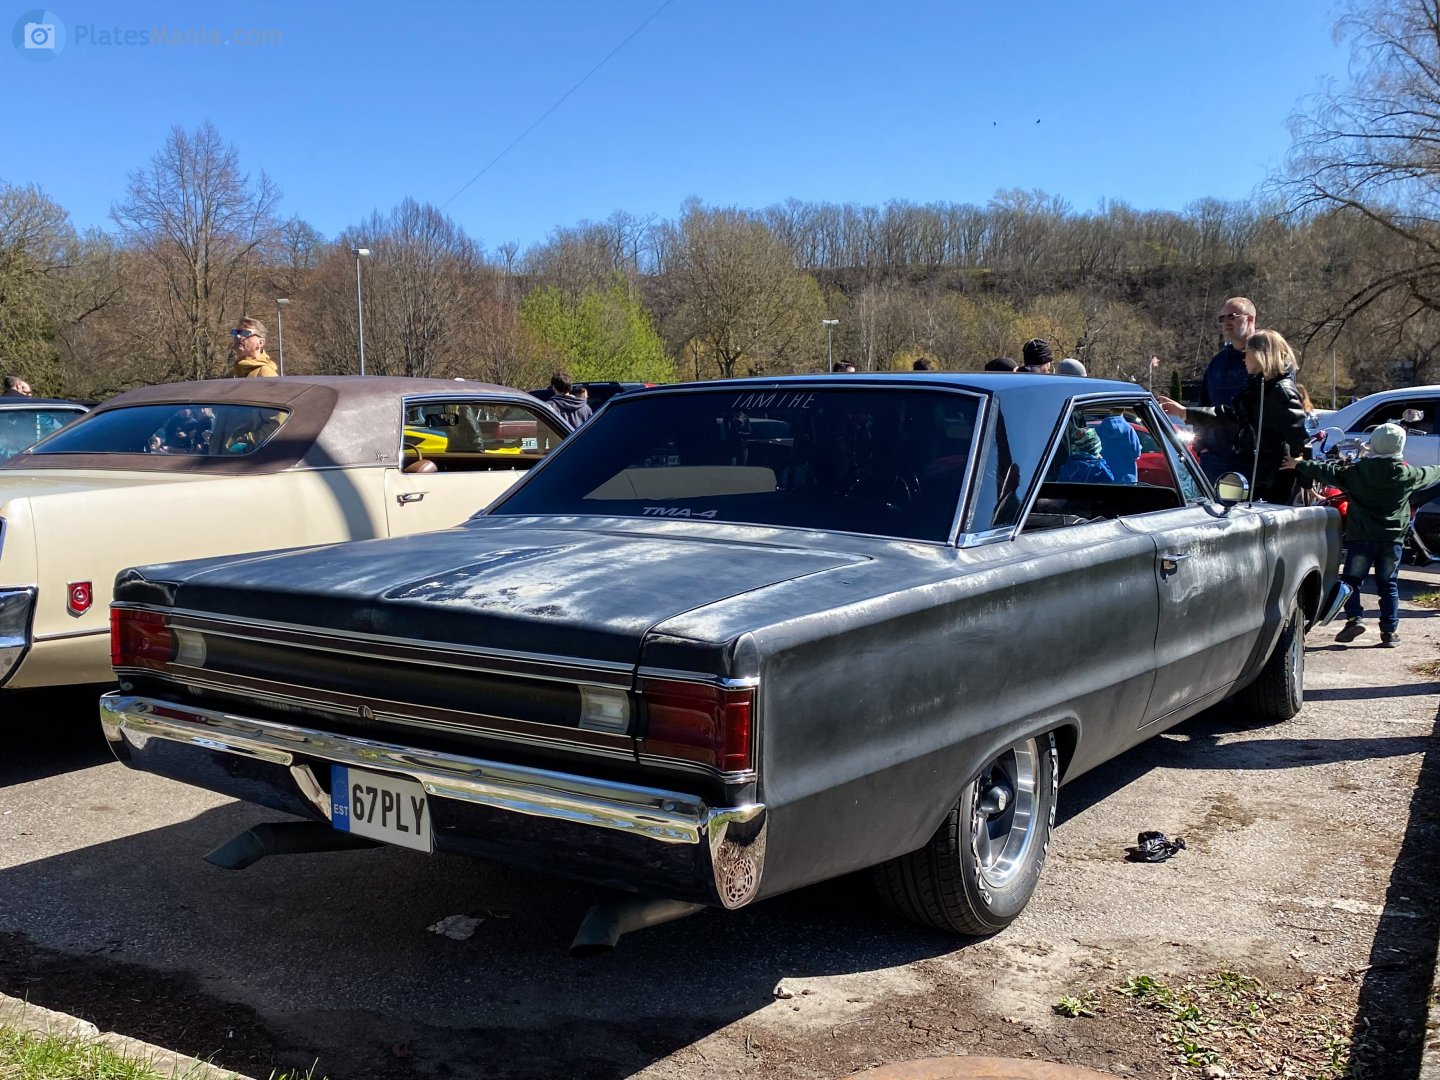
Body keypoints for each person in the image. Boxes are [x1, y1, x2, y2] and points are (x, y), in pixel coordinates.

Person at [1281, 422, 1440, 647]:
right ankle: (1389, 632)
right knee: (1389, 584)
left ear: (1372, 445)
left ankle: (1355, 619)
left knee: (1351, 581)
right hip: (1391, 540)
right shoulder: (1408, 474)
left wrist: (1299, 465)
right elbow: (1431, 472)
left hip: (1361, 537)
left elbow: (1329, 472)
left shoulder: (1358, 472)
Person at [1157, 328, 1308, 504]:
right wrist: (1185, 413)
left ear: (1260, 355)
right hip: (1249, 474)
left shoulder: (1281, 391)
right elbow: (1229, 415)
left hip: (1271, 481)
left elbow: (1301, 440)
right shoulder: (1256, 387)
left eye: (1246, 353)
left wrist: (1305, 481)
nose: (1243, 358)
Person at [1196, 297, 1256, 480]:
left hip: (1255, 461)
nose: (1226, 323)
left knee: (1250, 509)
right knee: (1214, 508)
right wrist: (1201, 445)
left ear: (1251, 319)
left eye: (1232, 316)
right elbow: (1203, 404)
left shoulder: (1270, 358)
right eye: (1222, 318)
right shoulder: (1217, 363)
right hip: (1216, 460)